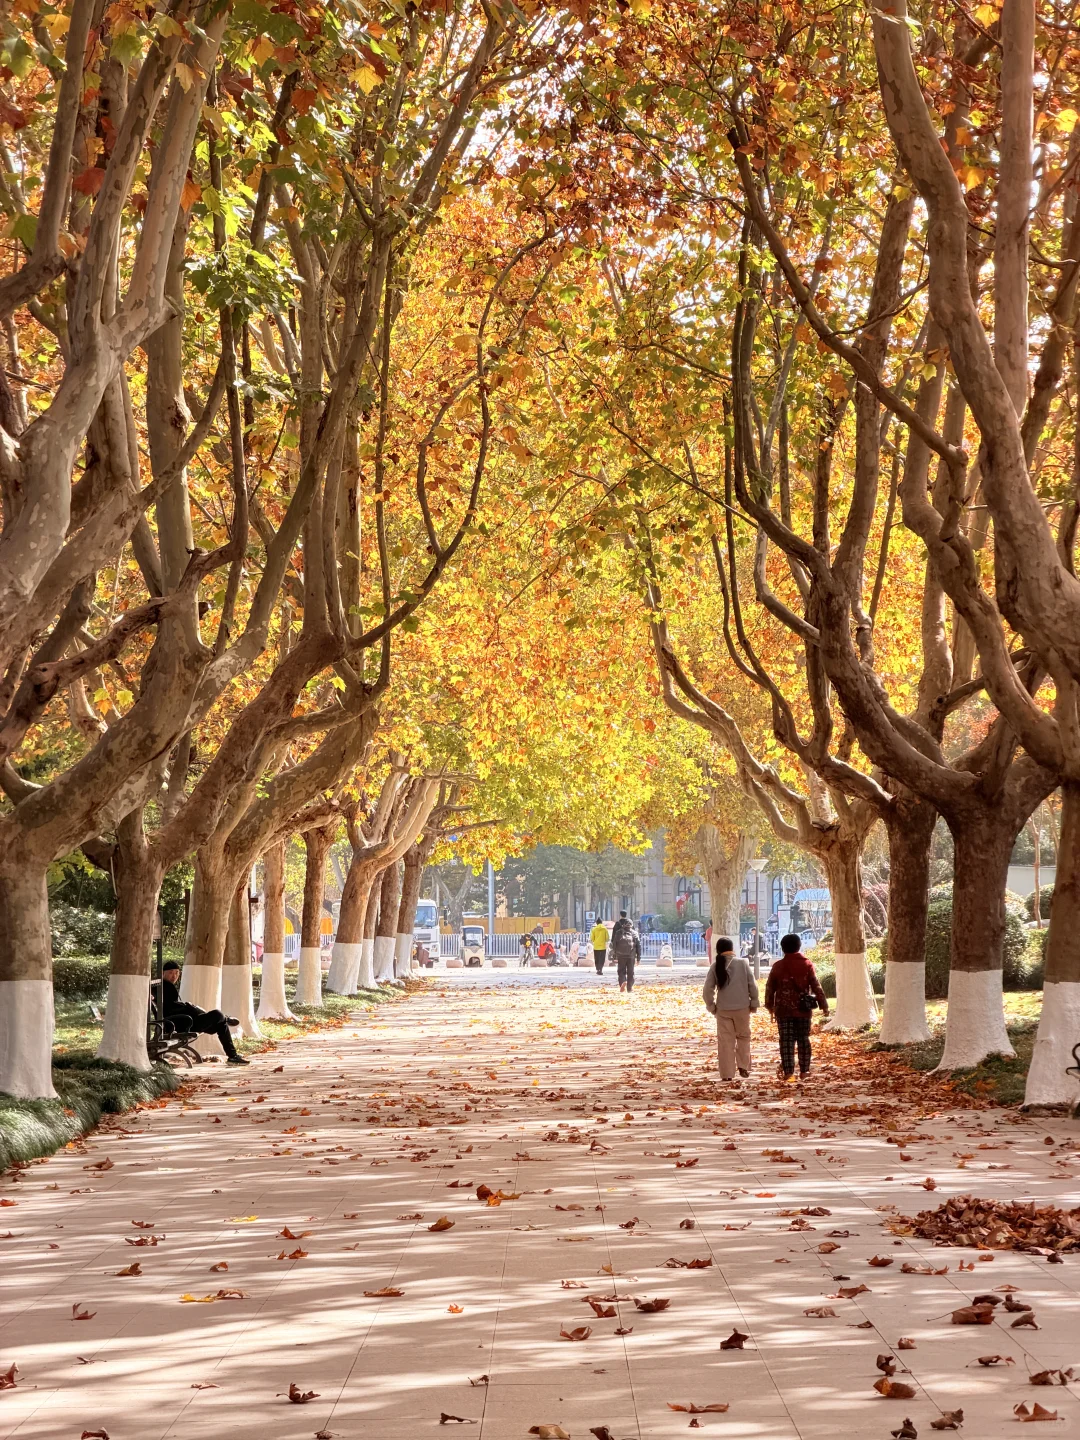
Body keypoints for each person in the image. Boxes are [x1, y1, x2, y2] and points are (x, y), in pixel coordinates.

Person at [764, 933, 829, 1081]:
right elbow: (815, 985)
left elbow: (770, 988)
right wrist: (823, 1005)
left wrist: (770, 1006)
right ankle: (804, 1071)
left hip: (783, 1010)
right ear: (799, 946)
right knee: (803, 1039)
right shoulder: (807, 964)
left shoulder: (778, 966)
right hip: (803, 1009)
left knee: (786, 1040)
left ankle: (789, 1073)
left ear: (782, 948)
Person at [159, 960, 248, 1065]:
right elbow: (170, 1009)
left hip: (185, 1021)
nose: (174, 976)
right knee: (217, 1014)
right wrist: (189, 1007)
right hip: (183, 1024)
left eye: (177, 973)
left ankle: (233, 1056)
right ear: (163, 973)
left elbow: (172, 1006)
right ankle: (226, 1019)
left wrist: (188, 1006)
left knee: (221, 1024)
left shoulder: (166, 986)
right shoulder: (164, 987)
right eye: (170, 973)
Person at [703, 936, 759, 1080]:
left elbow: (707, 990)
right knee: (743, 1037)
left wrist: (711, 1006)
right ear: (732, 949)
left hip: (723, 1009)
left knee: (726, 1042)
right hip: (742, 1008)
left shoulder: (715, 966)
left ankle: (727, 1074)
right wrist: (754, 1002)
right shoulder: (743, 963)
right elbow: (752, 985)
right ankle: (743, 1066)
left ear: (718, 950)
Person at [609, 911, 640, 994]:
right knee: (631, 971)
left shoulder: (618, 931)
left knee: (621, 970)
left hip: (621, 954)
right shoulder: (634, 933)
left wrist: (614, 954)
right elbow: (638, 946)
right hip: (631, 955)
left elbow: (614, 942)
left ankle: (623, 981)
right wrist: (638, 958)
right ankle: (629, 988)